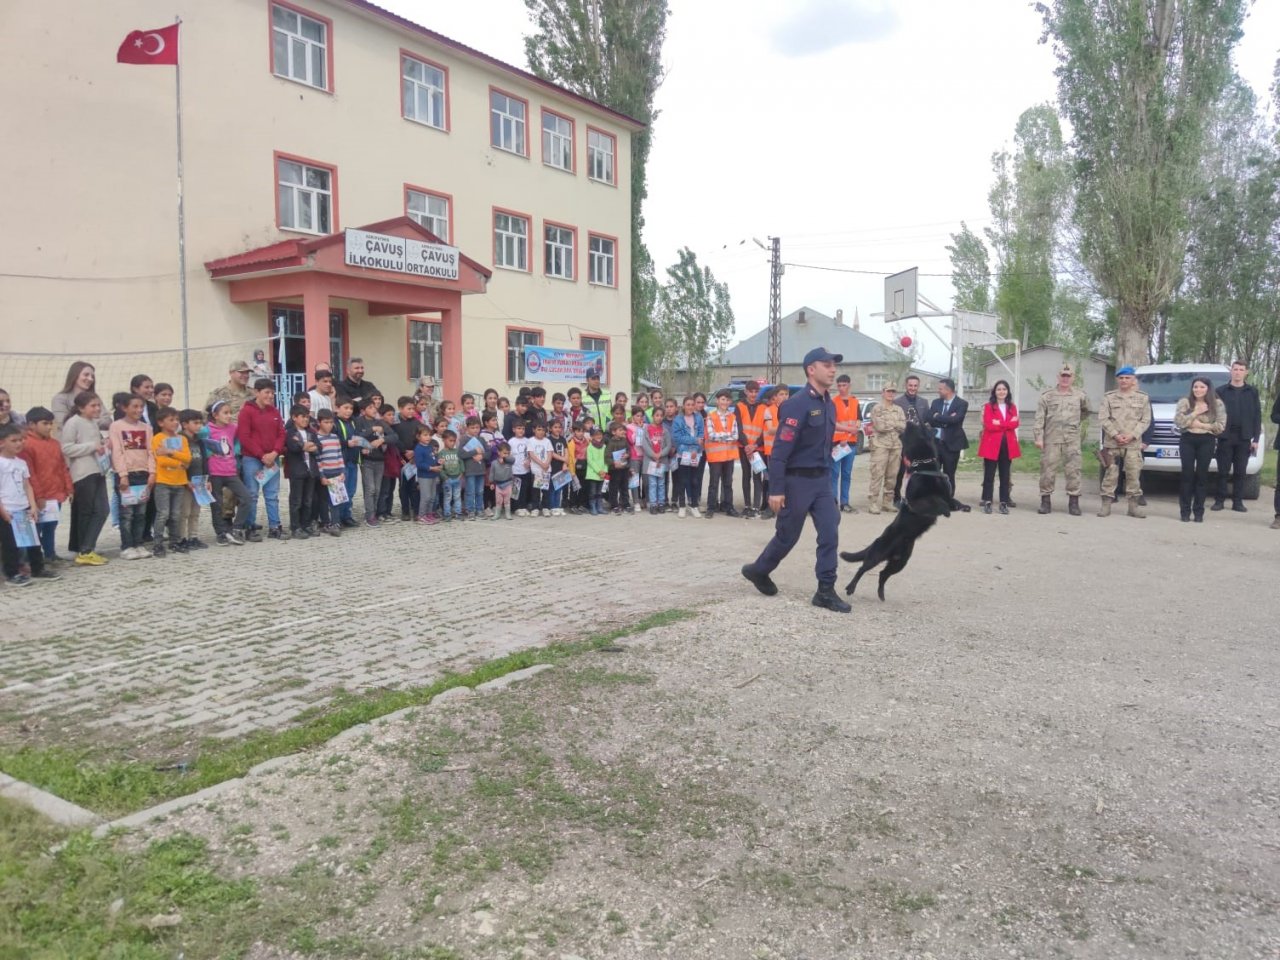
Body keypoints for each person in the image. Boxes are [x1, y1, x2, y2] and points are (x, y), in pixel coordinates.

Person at [741, 347, 849, 613]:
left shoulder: (829, 405)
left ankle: (825, 589)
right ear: (811, 369)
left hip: (821, 481)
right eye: (827, 364)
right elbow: (779, 452)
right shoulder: (796, 404)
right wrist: (776, 489)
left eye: (834, 364)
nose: (833, 369)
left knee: (830, 530)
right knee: (787, 536)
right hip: (797, 481)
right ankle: (759, 570)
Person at [0, 423, 57, 585]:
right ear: (2, 442)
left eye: (21, 440)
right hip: (8, 510)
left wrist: (32, 506)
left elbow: (27, 485)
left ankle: (38, 568)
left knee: (32, 541)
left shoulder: (21, 463)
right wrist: (3, 511)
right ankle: (12, 574)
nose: (19, 444)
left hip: (23, 508)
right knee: (10, 544)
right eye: (14, 441)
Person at [60, 391, 111, 565]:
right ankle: (84, 549)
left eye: (98, 405)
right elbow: (66, 448)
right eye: (93, 406)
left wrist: (103, 445)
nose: (97, 409)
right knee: (85, 512)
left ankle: (87, 546)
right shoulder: (73, 423)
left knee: (102, 510)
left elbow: (95, 445)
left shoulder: (93, 423)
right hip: (82, 473)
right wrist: (92, 446)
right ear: (81, 407)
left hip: (98, 471)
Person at [1033, 363, 1091, 516]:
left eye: (1068, 376)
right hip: (1051, 439)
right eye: (1063, 376)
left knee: (1073, 470)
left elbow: (1085, 412)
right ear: (1058, 377)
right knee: (1047, 470)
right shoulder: (1047, 396)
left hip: (1072, 440)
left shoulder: (1080, 396)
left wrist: (1074, 423)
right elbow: (1039, 419)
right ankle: (1045, 501)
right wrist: (1038, 437)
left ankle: (1074, 502)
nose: (1065, 379)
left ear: (1073, 378)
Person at [1097, 365, 1151, 518]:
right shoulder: (1109, 397)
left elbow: (1146, 420)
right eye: (1121, 378)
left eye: (1127, 378)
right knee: (1110, 474)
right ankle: (1106, 506)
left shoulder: (1142, 397)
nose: (1124, 381)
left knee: (1133, 475)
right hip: (1112, 443)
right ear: (1117, 380)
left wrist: (1133, 435)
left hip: (1133, 444)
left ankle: (1133, 507)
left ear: (1133, 379)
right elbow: (1103, 418)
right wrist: (1115, 435)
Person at [19, 407, 72, 563]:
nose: (49, 427)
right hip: (39, 496)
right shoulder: (26, 444)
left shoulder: (55, 443)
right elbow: (31, 474)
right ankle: (32, 558)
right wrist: (38, 496)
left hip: (56, 493)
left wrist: (68, 487)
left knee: (51, 525)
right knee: (36, 528)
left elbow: (62, 466)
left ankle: (50, 553)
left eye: (51, 423)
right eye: (45, 423)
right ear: (31, 424)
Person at [238, 378, 288, 540]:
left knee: (272, 494)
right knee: (252, 494)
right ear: (256, 392)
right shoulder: (246, 411)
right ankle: (250, 527)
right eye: (266, 392)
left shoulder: (274, 411)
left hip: (272, 459)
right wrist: (261, 455)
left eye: (272, 393)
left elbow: (281, 434)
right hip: (252, 458)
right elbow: (244, 437)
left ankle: (275, 526)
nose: (270, 396)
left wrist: (274, 452)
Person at [109, 392, 155, 559]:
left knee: (141, 513)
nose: (139, 410)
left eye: (141, 407)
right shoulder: (116, 426)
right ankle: (127, 546)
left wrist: (152, 472)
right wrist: (123, 475)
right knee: (127, 513)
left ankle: (139, 544)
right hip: (126, 475)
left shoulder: (146, 428)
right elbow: (117, 452)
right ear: (124, 407)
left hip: (143, 474)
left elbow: (151, 452)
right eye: (134, 406)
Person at [1173, 377, 1226, 522]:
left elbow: (1220, 426)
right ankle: (1185, 512)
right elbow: (1179, 422)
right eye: (1195, 387)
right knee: (1187, 475)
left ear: (1208, 388)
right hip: (1188, 440)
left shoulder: (1217, 403)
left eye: (1201, 387)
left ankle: (1198, 512)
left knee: (1202, 476)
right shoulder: (1185, 402)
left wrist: (1202, 426)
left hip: (1206, 441)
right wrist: (1195, 413)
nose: (1198, 390)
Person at [1213, 360, 1262, 512]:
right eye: (1235, 369)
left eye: (1241, 369)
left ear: (1246, 372)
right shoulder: (1221, 391)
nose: (1238, 372)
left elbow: (1257, 415)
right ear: (1231, 371)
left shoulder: (1252, 392)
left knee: (1240, 472)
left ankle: (1237, 502)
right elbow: (1214, 413)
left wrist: (1256, 439)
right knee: (1222, 471)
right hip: (1225, 436)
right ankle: (1219, 501)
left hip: (1244, 437)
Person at [206, 400, 250, 545]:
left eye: (230, 412)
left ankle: (236, 528)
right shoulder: (208, 429)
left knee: (245, 497)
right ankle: (221, 533)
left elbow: (240, 437)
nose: (229, 416)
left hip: (231, 471)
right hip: (214, 472)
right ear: (215, 415)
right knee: (217, 504)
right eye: (225, 413)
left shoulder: (232, 428)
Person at [149, 406, 191, 556]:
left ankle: (175, 541)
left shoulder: (182, 439)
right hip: (163, 482)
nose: (175, 423)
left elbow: (188, 458)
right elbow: (161, 460)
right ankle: (158, 543)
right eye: (171, 420)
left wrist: (170, 452)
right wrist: (179, 462)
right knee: (163, 513)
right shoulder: (158, 438)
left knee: (175, 514)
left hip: (179, 482)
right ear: (161, 422)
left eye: (177, 420)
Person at [926, 378, 970, 512]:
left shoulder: (962, 404)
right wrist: (946, 419)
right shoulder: (936, 402)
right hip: (936, 444)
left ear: (948, 390)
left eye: (940, 389)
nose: (938, 391)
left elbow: (956, 420)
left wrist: (938, 416)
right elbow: (929, 419)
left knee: (949, 474)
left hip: (952, 445)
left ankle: (947, 501)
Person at [978, 381, 1020, 515]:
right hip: (991, 445)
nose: (1001, 392)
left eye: (1004, 389)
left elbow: (1016, 423)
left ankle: (1003, 502)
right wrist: (1006, 423)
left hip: (1007, 445)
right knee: (989, 475)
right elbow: (989, 425)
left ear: (1007, 391)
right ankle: (987, 501)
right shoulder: (988, 406)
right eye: (998, 389)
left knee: (1005, 475)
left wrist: (999, 423)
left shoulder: (1012, 407)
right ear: (994, 392)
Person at [892, 375, 931, 505]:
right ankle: (897, 497)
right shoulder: (897, 402)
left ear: (918, 386)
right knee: (900, 470)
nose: (912, 388)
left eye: (915, 385)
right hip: (902, 441)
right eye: (910, 385)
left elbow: (926, 422)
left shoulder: (924, 402)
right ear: (906, 385)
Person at [867, 384, 905, 514]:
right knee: (877, 474)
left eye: (893, 392)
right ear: (883, 392)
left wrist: (892, 424)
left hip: (895, 445)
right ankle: (873, 503)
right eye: (888, 391)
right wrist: (895, 425)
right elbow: (880, 427)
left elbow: (903, 426)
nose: (891, 394)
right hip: (880, 445)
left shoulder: (899, 409)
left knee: (892, 475)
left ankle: (887, 502)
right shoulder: (877, 408)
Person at [284, 404, 321, 538]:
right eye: (302, 417)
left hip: (311, 471)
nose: (306, 420)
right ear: (294, 417)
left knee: (308, 500)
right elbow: (293, 447)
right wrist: (303, 446)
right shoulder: (290, 433)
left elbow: (319, 447)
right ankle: (296, 526)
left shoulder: (311, 432)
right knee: (296, 500)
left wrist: (311, 447)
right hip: (297, 472)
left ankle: (306, 524)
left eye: (307, 417)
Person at [177, 408, 210, 550]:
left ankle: (193, 537)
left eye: (200, 423)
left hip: (199, 482)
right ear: (184, 424)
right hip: (186, 483)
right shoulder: (179, 440)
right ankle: (181, 538)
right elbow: (179, 464)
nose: (199, 426)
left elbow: (204, 461)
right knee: (184, 512)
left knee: (195, 512)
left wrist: (207, 479)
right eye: (195, 423)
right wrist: (186, 481)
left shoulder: (200, 442)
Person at [354, 397, 389, 527]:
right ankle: (370, 516)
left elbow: (393, 436)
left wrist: (382, 440)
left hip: (380, 459)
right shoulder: (359, 421)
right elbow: (357, 436)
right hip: (367, 460)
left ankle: (373, 513)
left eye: (374, 407)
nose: (374, 409)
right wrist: (372, 429)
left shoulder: (380, 422)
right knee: (371, 489)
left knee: (378, 489)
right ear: (363, 411)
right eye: (370, 407)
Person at [704, 390, 738, 518]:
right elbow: (711, 436)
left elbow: (735, 436)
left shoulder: (732, 417)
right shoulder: (711, 416)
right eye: (722, 399)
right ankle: (711, 508)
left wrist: (722, 436)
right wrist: (727, 435)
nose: (725, 402)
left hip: (729, 456)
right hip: (716, 457)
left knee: (728, 483)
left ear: (730, 402)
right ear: (717, 401)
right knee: (713, 483)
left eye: (727, 400)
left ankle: (729, 507)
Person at [737, 381, 768, 518]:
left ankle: (756, 506)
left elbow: (765, 429)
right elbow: (738, 428)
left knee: (757, 477)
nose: (753, 394)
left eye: (756, 392)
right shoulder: (739, 406)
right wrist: (747, 446)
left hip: (758, 448)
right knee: (746, 476)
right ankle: (747, 505)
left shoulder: (764, 407)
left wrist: (754, 446)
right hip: (744, 447)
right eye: (751, 391)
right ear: (746, 391)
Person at [670, 395, 704, 518]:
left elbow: (701, 436)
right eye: (687, 404)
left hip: (696, 454)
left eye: (692, 404)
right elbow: (677, 438)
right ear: (683, 406)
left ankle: (694, 505)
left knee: (695, 481)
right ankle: (682, 506)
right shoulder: (678, 420)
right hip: (682, 453)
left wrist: (695, 449)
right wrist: (694, 442)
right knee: (682, 481)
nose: (690, 407)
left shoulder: (699, 418)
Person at [829, 374, 860, 513]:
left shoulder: (855, 401)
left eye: (844, 385)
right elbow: (832, 423)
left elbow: (858, 420)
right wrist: (844, 435)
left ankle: (845, 503)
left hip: (851, 443)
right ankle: (833, 502)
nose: (841, 388)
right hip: (837, 444)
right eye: (839, 385)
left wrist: (853, 430)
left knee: (846, 474)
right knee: (834, 474)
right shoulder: (833, 402)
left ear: (849, 385)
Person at [52, 361, 108, 430]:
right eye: (86, 375)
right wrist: (93, 421)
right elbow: (64, 423)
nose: (90, 379)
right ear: (75, 375)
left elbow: (107, 420)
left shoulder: (95, 398)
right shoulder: (60, 398)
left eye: (92, 376)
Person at [333, 399, 361, 528]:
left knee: (350, 490)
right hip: (341, 462)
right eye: (346, 407)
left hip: (352, 460)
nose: (349, 411)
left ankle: (347, 516)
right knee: (340, 491)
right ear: (337, 408)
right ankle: (336, 518)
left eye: (350, 408)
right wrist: (346, 443)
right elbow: (332, 440)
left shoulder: (352, 422)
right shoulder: (334, 422)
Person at [641, 406, 671, 514]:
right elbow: (644, 444)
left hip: (661, 462)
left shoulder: (665, 430)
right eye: (656, 415)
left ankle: (661, 503)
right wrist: (654, 455)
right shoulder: (647, 429)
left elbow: (668, 445)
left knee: (661, 483)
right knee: (652, 483)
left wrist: (660, 455)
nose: (659, 418)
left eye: (661, 416)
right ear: (652, 416)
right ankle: (653, 504)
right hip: (651, 462)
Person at [461, 417, 489, 520]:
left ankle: (479, 510)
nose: (475, 430)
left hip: (481, 470)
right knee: (470, 491)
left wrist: (482, 456)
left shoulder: (481, 439)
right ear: (467, 428)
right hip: (470, 471)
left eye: (477, 427)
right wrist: (474, 452)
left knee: (480, 491)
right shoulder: (464, 439)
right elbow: (461, 454)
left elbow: (488, 453)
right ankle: (470, 510)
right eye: (472, 428)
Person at [412, 423, 440, 525]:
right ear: (418, 437)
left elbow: (433, 458)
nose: (428, 437)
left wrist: (439, 462)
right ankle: (421, 515)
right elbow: (419, 464)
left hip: (433, 475)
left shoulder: (430, 447)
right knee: (426, 496)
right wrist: (431, 468)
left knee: (432, 496)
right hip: (424, 476)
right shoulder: (418, 448)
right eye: (425, 435)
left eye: (429, 435)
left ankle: (429, 514)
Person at [604, 421, 631, 514]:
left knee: (624, 487)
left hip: (624, 468)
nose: (622, 432)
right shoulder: (610, 443)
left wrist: (627, 455)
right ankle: (614, 505)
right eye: (620, 430)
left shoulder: (624, 441)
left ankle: (625, 504)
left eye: (623, 430)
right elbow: (607, 457)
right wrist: (614, 463)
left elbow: (629, 450)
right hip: (615, 470)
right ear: (613, 432)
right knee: (614, 488)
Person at [437, 429, 463, 521]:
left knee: (457, 496)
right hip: (447, 479)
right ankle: (447, 514)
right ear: (444, 440)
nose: (452, 443)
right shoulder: (441, 454)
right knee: (448, 497)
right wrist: (445, 477)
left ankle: (458, 513)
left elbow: (461, 462)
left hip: (457, 478)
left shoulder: (457, 452)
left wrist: (461, 473)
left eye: (454, 441)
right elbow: (440, 468)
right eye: (450, 441)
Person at [508, 418, 532, 516]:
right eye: (518, 428)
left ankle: (523, 506)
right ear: (514, 430)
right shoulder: (511, 441)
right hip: (515, 470)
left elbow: (530, 453)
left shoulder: (527, 441)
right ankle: (516, 507)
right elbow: (508, 456)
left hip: (525, 470)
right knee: (515, 490)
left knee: (524, 489)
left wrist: (529, 460)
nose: (521, 430)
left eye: (522, 428)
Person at [489, 441, 515, 520]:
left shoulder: (510, 462)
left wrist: (505, 459)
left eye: (508, 453)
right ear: (498, 452)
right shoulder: (494, 463)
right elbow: (492, 473)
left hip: (508, 484)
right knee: (498, 501)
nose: (506, 455)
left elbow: (513, 459)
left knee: (507, 500)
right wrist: (491, 483)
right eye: (504, 453)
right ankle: (497, 514)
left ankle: (508, 513)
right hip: (498, 485)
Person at [585, 427, 607, 515]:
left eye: (600, 434)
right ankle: (592, 507)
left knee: (600, 492)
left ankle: (599, 506)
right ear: (592, 436)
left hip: (602, 474)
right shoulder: (590, 447)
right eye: (596, 434)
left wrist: (604, 471)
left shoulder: (604, 446)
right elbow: (590, 461)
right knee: (593, 492)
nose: (598, 436)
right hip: (593, 474)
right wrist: (599, 471)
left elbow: (606, 460)